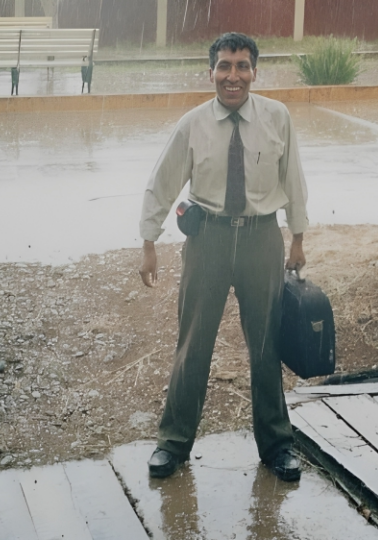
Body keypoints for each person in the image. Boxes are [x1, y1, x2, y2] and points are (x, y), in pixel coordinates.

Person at [138, 32, 308, 482]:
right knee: (193, 344)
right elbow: (162, 182)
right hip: (208, 240)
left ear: (254, 71)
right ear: (210, 71)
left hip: (260, 240)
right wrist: (149, 242)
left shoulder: (277, 118)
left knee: (266, 346)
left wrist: (298, 238)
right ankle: (173, 444)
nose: (233, 76)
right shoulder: (192, 124)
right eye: (225, 67)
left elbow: (294, 179)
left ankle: (277, 446)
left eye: (242, 66)